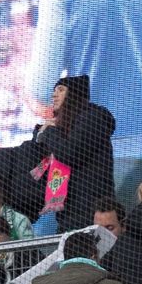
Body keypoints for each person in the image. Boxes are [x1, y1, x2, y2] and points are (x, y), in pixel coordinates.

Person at [26, 75, 118, 232]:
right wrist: (39, 134)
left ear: (74, 94)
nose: (53, 95)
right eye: (54, 91)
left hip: (93, 213)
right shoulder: (59, 126)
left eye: (61, 90)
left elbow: (70, 154)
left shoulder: (93, 117)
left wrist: (48, 132)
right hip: (68, 215)